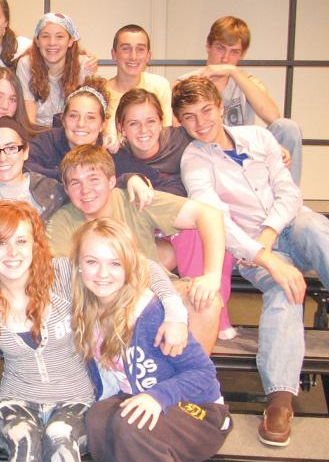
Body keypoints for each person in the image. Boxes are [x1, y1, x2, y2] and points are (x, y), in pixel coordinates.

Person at [0, 201, 188, 462]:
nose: (12, 252)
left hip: (75, 397)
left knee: (60, 435)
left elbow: (142, 266)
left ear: (35, 243)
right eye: (0, 243)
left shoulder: (60, 273)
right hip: (15, 398)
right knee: (25, 440)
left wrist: (176, 314)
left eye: (21, 241)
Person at [174, 75, 329, 447]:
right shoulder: (194, 160)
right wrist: (266, 258)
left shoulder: (259, 137)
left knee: (315, 228)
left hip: (288, 226)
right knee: (286, 292)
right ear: (180, 121)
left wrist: (269, 236)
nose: (201, 122)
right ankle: (280, 401)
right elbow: (216, 218)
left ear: (220, 107)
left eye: (206, 110)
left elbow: (289, 192)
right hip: (248, 249)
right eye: (189, 117)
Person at [72, 218, 231, 462]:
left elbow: (204, 376)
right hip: (145, 401)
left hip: (201, 413)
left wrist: (158, 397)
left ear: (130, 265)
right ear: (79, 265)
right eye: (92, 262)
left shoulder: (152, 313)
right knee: (98, 418)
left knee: (133, 424)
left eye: (115, 263)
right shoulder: (90, 310)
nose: (102, 273)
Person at [46, 145, 225, 354]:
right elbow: (60, 278)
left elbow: (209, 215)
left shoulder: (133, 199)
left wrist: (212, 276)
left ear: (111, 181)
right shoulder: (62, 221)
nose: (85, 190)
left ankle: (193, 371)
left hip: (156, 290)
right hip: (103, 299)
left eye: (94, 179)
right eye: (75, 183)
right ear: (67, 189)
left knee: (206, 302)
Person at [114, 88, 237, 340]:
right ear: (121, 127)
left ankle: (211, 310)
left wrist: (269, 150)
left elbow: (217, 133)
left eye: (151, 121)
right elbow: (98, 175)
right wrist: (128, 178)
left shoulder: (181, 139)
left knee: (202, 230)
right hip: (143, 232)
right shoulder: (115, 156)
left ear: (163, 122)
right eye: (133, 123)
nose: (143, 130)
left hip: (179, 222)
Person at [185, 16, 303, 182]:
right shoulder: (186, 83)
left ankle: (288, 194)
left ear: (242, 54)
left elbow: (274, 117)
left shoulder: (247, 82)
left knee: (287, 128)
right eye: (220, 48)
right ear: (208, 46)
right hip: (207, 155)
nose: (225, 59)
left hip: (246, 155)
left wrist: (233, 72)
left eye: (234, 52)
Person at [25, 76, 169, 190]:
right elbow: (21, 165)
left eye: (91, 118)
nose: (81, 124)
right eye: (73, 116)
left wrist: (129, 181)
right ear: (63, 119)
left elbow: (165, 183)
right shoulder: (48, 142)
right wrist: (68, 176)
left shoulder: (111, 153)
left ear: (102, 125)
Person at [17, 12, 98, 126]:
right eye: (45, 36)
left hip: (71, 130)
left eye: (59, 36)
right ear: (37, 41)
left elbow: (86, 111)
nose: (52, 42)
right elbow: (29, 115)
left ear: (70, 41)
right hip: (38, 131)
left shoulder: (84, 65)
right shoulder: (26, 64)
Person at [103, 25, 172, 143]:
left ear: (148, 56)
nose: (133, 57)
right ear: (114, 54)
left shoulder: (160, 86)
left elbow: (165, 133)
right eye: (126, 49)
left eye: (140, 49)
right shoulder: (102, 94)